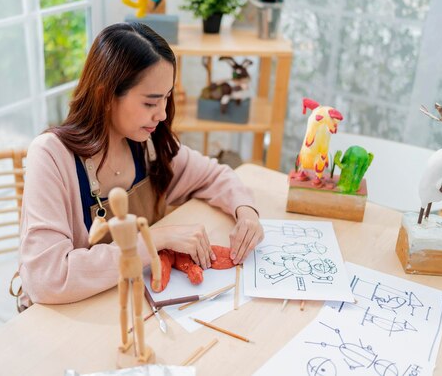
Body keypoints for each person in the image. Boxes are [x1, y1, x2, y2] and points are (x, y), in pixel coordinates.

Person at [18, 22, 263, 306]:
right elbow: (47, 278)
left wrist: (246, 212)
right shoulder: (51, 156)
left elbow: (213, 176)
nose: (161, 114)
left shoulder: (146, 145)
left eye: (166, 99)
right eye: (150, 103)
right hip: (66, 319)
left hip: (130, 305)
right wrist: (154, 239)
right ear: (105, 96)